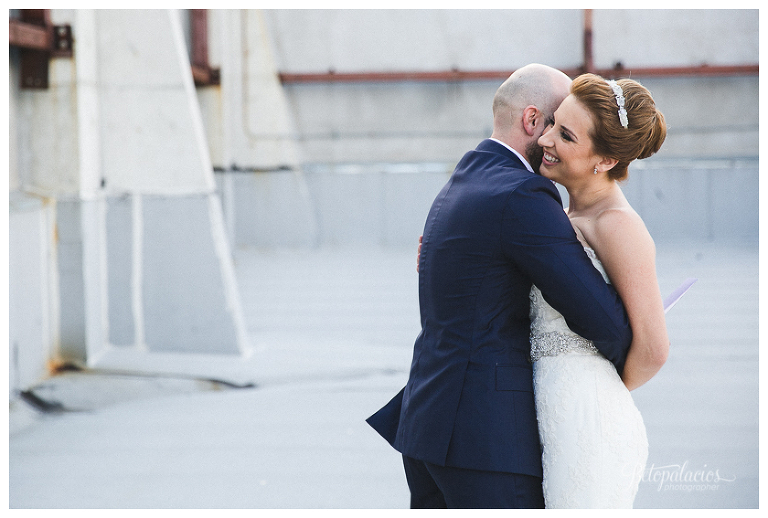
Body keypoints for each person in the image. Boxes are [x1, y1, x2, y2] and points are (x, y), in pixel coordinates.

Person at [366, 64, 634, 509]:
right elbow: (602, 319)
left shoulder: (465, 178)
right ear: (532, 121)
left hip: (429, 424)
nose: (553, 143)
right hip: (482, 441)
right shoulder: (521, 195)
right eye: (558, 127)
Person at [531, 73, 669, 507]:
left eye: (565, 135)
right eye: (552, 122)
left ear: (606, 160)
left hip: (585, 422)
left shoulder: (617, 225)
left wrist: (595, 390)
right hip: (544, 409)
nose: (545, 139)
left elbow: (654, 349)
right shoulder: (559, 211)